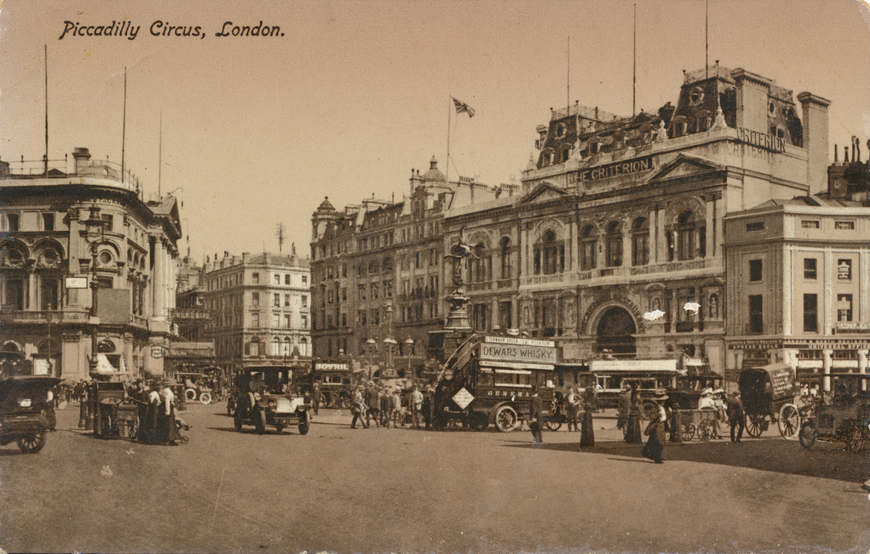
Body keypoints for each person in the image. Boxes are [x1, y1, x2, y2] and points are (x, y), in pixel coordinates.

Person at [642, 399, 667, 464]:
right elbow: (653, 417)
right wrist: (658, 417)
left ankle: (657, 457)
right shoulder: (656, 409)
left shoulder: (661, 408)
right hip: (657, 426)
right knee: (658, 442)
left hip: (660, 426)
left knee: (656, 441)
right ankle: (658, 457)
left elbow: (664, 417)